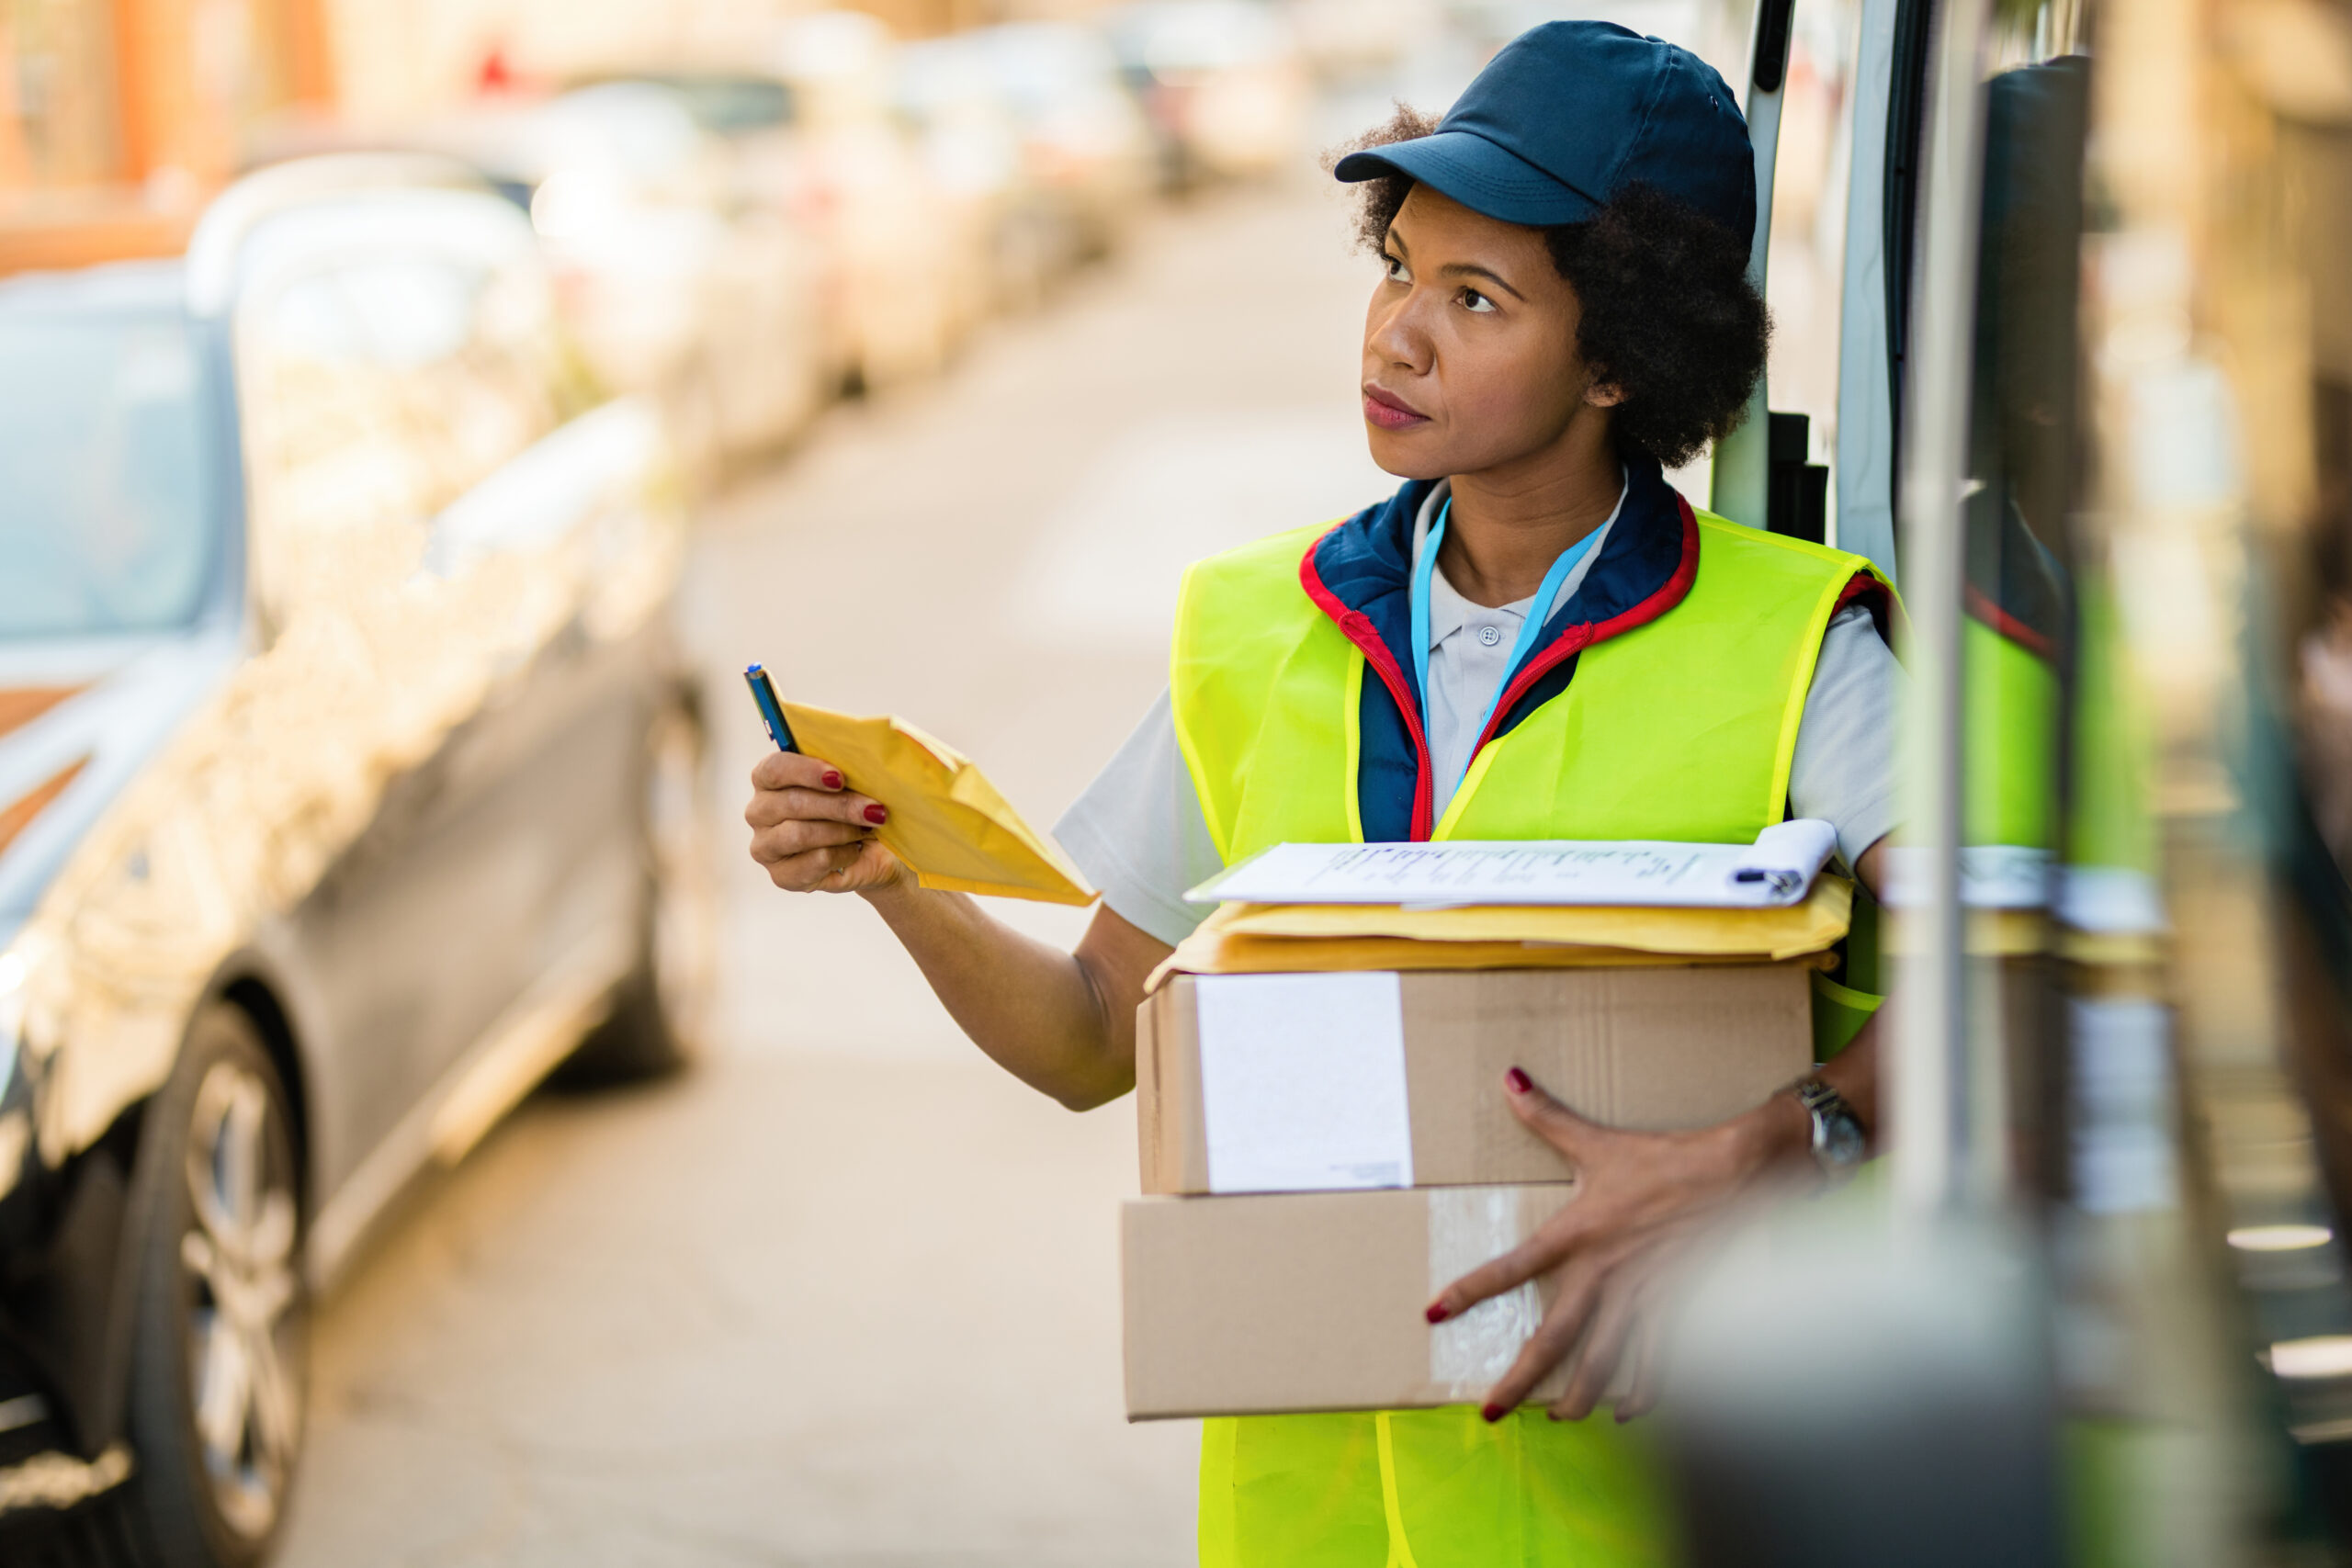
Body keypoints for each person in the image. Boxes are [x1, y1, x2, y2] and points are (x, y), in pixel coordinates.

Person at [745, 21, 1901, 1565]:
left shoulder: (1799, 649)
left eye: (1474, 298)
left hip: (1645, 1518)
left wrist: (1775, 1146)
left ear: (1621, 352)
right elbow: (1095, 1038)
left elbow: (2012, 984)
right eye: (1398, 267)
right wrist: (895, 877)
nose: (1397, 336)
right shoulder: (1257, 627)